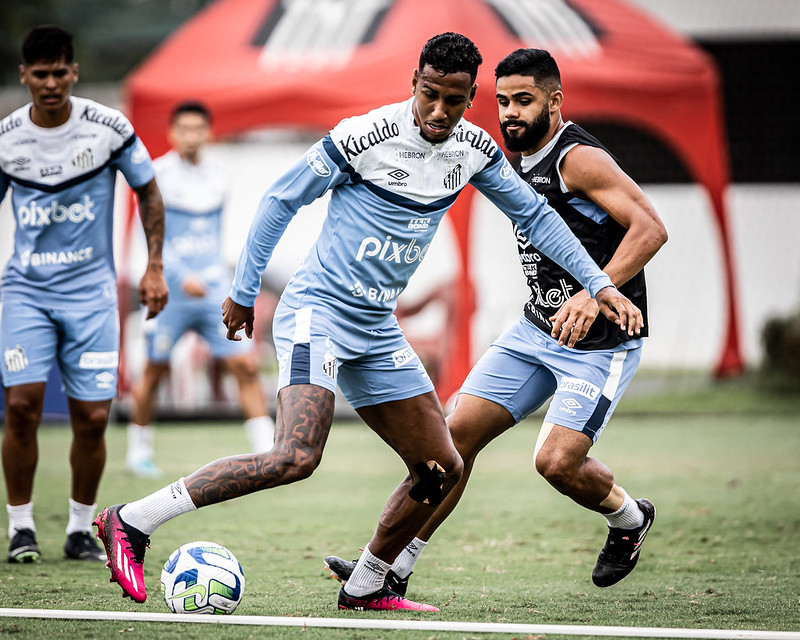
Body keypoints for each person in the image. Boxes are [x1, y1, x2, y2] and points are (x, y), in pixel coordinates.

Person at [94, 33, 642, 611]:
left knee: (440, 468)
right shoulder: (364, 136)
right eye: (428, 95)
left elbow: (535, 215)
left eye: (453, 101)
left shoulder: (474, 150)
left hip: (377, 328)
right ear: (413, 83)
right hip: (318, 314)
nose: (438, 111)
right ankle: (132, 520)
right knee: (295, 457)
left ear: (469, 97)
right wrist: (244, 290)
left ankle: (367, 586)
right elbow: (281, 199)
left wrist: (600, 284)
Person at [324, 48, 668, 595]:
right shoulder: (509, 157)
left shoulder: (578, 158)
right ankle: (392, 567)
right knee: (451, 441)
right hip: (537, 328)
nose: (510, 113)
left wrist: (590, 292)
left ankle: (629, 519)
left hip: (600, 340)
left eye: (524, 101)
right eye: (503, 101)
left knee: (556, 463)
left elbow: (650, 228)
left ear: (554, 101)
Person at [0, 25, 167, 563]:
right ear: (24, 76)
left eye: (59, 72)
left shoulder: (109, 128)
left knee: (92, 417)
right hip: (25, 289)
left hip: (91, 294)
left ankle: (77, 529)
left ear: (74, 72)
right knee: (21, 407)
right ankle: (21, 527)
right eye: (39, 74)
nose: (50, 83)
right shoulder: (7, 139)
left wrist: (154, 267)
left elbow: (148, 190)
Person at [125, 101, 274, 478]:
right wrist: (176, 273)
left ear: (208, 133)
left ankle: (268, 448)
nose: (191, 136)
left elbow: (215, 233)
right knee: (155, 368)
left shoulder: (220, 177)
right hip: (170, 292)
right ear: (173, 133)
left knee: (244, 363)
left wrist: (217, 274)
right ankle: (138, 451)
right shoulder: (156, 174)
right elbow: (152, 234)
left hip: (211, 290)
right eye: (184, 129)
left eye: (198, 129)